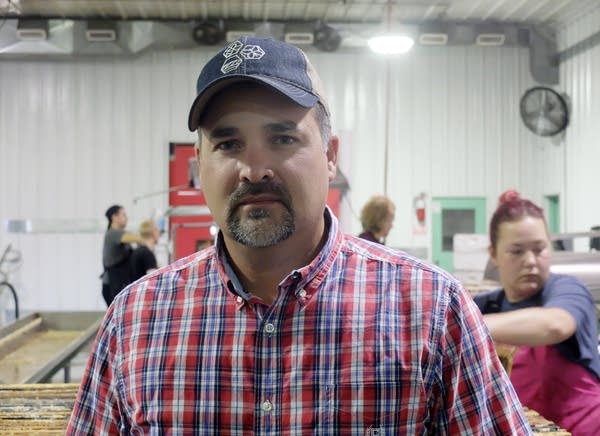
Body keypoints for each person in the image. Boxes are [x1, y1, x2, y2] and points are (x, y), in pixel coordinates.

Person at [67, 36, 531, 434]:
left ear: (330, 155)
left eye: (283, 138)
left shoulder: (431, 310)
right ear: (199, 164)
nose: (254, 170)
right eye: (228, 144)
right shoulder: (134, 321)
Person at [472, 189, 600, 435]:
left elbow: (554, 325)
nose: (530, 260)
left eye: (539, 249)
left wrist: (470, 325)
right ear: (494, 254)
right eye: (517, 251)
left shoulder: (567, 290)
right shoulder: (488, 305)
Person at [101, 205, 143, 306]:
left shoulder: (120, 236)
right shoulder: (113, 234)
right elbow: (137, 238)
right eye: (123, 215)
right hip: (112, 286)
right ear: (114, 217)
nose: (126, 218)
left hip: (119, 284)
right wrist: (146, 234)